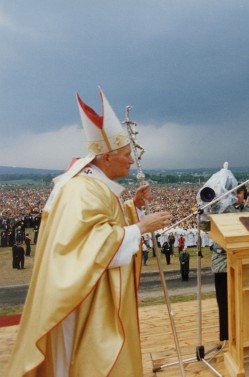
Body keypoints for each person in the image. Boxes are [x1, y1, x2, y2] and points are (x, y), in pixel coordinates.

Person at [7, 88, 172, 377]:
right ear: (105, 158)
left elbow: (103, 226)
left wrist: (134, 207)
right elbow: (88, 245)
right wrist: (141, 228)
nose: (131, 161)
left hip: (89, 289)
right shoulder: (83, 190)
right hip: (79, 298)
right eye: (124, 155)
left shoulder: (93, 185)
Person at [199, 165, 249, 342]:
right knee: (224, 302)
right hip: (221, 261)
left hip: (241, 261)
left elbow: (240, 227)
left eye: (238, 193)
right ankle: (226, 338)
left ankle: (245, 334)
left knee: (244, 301)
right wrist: (205, 212)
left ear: (245, 195)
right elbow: (204, 227)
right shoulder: (217, 211)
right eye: (232, 192)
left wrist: (225, 207)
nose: (234, 196)